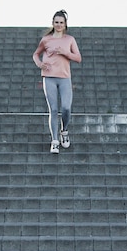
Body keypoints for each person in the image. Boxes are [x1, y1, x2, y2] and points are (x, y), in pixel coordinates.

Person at [33, 10, 82, 153]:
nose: (59, 25)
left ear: (65, 24)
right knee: (53, 110)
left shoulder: (70, 40)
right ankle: (54, 141)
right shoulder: (46, 40)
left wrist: (65, 52)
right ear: (53, 23)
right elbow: (36, 54)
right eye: (56, 22)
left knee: (66, 108)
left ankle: (64, 131)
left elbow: (78, 58)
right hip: (49, 77)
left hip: (65, 78)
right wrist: (39, 64)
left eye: (61, 22)